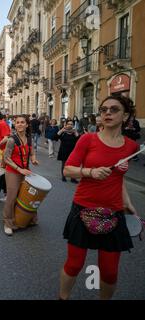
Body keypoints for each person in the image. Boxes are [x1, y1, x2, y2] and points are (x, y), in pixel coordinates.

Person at [59, 95, 139, 300]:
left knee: (110, 271)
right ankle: (63, 297)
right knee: (74, 264)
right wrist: (90, 172)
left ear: (126, 115)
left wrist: (127, 202)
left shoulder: (130, 147)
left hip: (114, 211)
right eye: (104, 110)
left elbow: (118, 178)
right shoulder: (88, 139)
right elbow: (68, 170)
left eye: (114, 109)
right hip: (83, 208)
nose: (107, 113)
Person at [3, 115, 39, 235]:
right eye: (17, 122)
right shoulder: (11, 140)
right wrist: (19, 169)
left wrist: (34, 159)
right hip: (13, 172)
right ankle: (8, 223)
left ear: (27, 125)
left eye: (22, 122)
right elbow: (6, 158)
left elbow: (32, 152)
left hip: (26, 171)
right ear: (15, 125)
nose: (19, 124)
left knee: (26, 196)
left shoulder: (29, 139)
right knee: (11, 197)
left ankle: (27, 219)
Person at [56, 119, 80, 183]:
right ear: (66, 125)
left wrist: (75, 132)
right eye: (69, 124)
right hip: (64, 150)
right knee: (64, 164)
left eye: (71, 124)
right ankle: (64, 176)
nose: (70, 125)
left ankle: (73, 178)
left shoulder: (74, 132)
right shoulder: (63, 132)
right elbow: (55, 137)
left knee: (73, 165)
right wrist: (61, 130)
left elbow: (79, 140)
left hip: (73, 151)